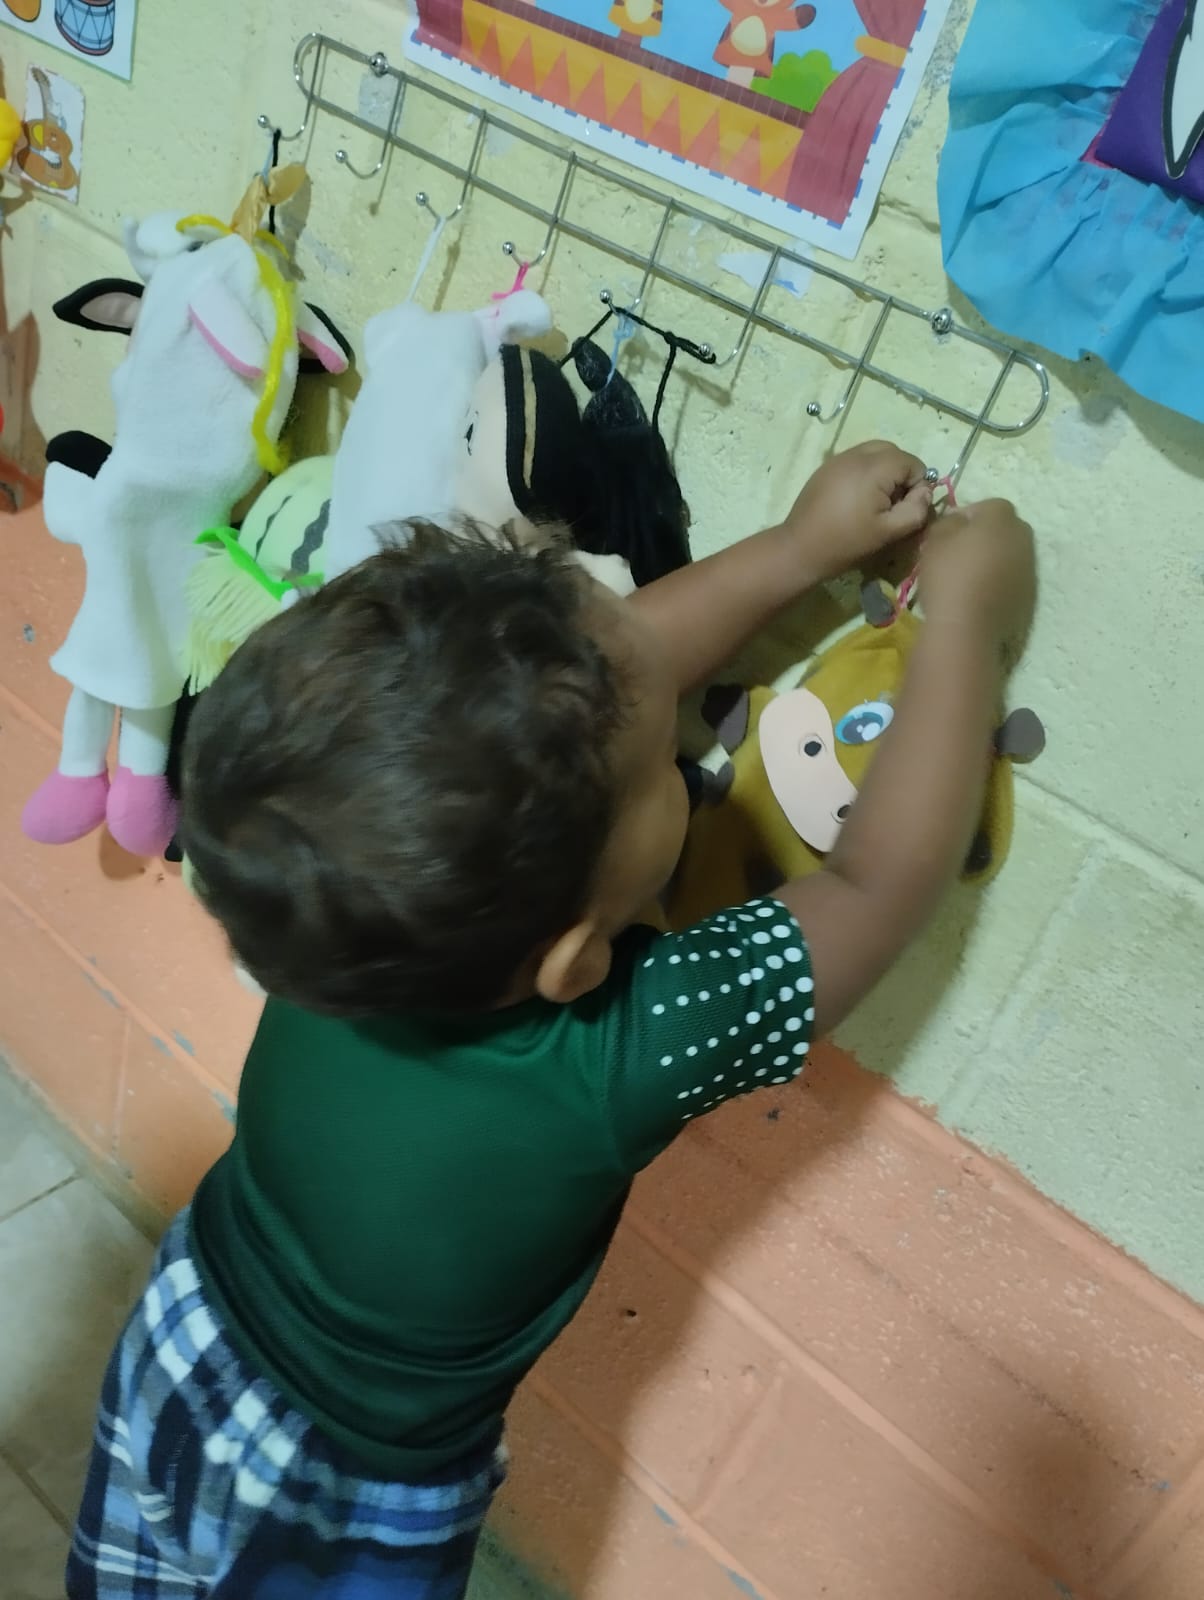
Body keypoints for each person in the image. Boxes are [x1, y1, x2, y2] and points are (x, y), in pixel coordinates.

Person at [66, 441, 1035, 1599]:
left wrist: (798, 549)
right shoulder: (613, 1052)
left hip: (185, 1331)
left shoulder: (343, 886)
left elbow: (589, 695)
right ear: (574, 959)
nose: (668, 739)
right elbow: (874, 884)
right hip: (347, 1490)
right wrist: (966, 624)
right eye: (662, 768)